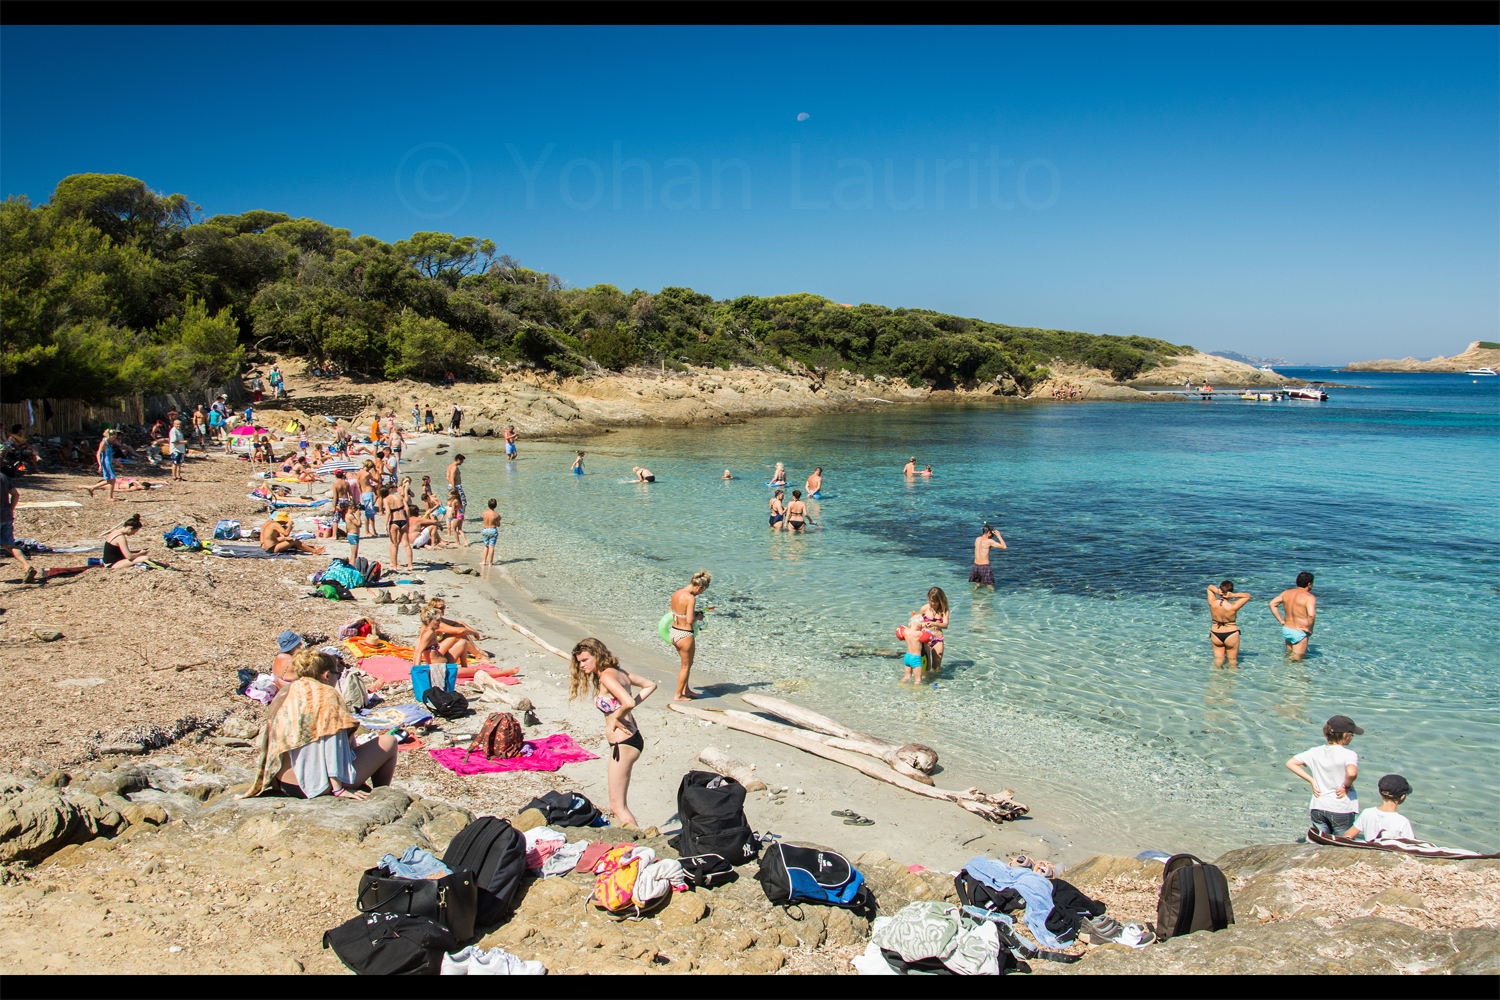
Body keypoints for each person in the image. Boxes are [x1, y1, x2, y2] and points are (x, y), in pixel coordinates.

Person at [243, 648, 399, 800]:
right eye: (337, 674)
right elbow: (332, 745)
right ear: (326, 675)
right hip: (314, 785)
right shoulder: (326, 695)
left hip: (283, 780)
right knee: (389, 741)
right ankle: (380, 797)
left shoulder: (287, 690)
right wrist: (338, 789)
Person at [568, 637, 656, 828]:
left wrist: (618, 716)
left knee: (617, 806)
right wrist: (624, 711)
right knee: (618, 804)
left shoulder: (607, 677)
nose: (581, 665)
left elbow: (629, 702)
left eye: (585, 660)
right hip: (630, 740)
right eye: (579, 662)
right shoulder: (619, 672)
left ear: (597, 655)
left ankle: (638, 844)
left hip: (623, 744)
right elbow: (650, 685)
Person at [1285, 715, 1362, 837]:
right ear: (1346, 735)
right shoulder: (1349, 754)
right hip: (1341, 807)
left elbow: (1291, 763)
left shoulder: (1314, 751)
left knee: (1321, 842)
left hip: (1318, 806)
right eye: (1352, 734)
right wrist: (1345, 786)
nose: (1352, 737)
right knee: (1340, 844)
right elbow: (1352, 773)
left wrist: (1311, 780)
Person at [669, 570, 710, 701]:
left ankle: (686, 690)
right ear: (699, 587)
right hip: (685, 634)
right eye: (701, 591)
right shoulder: (690, 597)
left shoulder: (677, 593)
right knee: (685, 667)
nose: (700, 594)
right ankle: (678, 695)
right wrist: (698, 616)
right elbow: (689, 620)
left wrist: (689, 614)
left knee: (687, 663)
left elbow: (671, 611)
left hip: (674, 632)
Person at [1348, 774, 1414, 842]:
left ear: (1381, 793)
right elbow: (1410, 846)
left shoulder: (1367, 813)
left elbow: (1348, 835)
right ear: (1402, 797)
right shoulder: (1403, 821)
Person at [1270, 571, 1317, 661]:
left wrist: (1281, 621)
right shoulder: (1309, 597)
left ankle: (1285, 674)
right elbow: (1311, 615)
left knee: (1289, 656)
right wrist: (1310, 630)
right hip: (1299, 631)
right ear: (1309, 584)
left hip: (1287, 629)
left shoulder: (1286, 593)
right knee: (1298, 661)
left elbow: (1272, 604)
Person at [1, 466, 37, 583]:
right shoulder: (3, 477)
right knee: (9, 544)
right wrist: (10, 509)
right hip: (5, 516)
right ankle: (26, 566)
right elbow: (15, 494)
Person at [1207, 580, 1252, 667]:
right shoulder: (1233, 606)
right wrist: (1234, 596)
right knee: (1232, 661)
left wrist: (1218, 592)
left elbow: (1209, 588)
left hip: (1216, 633)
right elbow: (1247, 596)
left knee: (1218, 659)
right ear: (1231, 592)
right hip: (1231, 633)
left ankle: (1215, 679)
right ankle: (1231, 679)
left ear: (1220, 589)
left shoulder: (1212, 603)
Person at [912, 587, 950, 673]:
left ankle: (936, 681)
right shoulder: (924, 608)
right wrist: (923, 624)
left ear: (940, 599)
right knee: (927, 667)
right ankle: (926, 682)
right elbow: (916, 623)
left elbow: (945, 625)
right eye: (931, 601)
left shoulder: (944, 610)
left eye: (935, 601)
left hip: (938, 638)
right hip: (925, 639)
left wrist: (934, 623)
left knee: (936, 667)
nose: (933, 603)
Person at [260, 512, 326, 555]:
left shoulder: (273, 524)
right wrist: (290, 525)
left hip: (271, 546)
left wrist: (286, 537)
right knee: (294, 541)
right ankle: (315, 551)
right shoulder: (275, 524)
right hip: (271, 548)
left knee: (291, 540)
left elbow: (276, 537)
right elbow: (286, 533)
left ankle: (312, 548)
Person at [380, 485, 412, 572]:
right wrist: (408, 518)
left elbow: (388, 513)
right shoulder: (399, 496)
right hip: (403, 520)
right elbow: (407, 508)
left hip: (394, 521)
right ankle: (410, 565)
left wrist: (385, 525)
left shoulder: (386, 499)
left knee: (394, 544)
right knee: (406, 544)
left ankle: (394, 566)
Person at [85, 430, 122, 501]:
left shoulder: (107, 443)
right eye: (113, 436)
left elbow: (108, 454)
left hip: (108, 462)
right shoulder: (103, 442)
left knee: (110, 480)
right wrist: (100, 465)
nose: (114, 438)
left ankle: (92, 488)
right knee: (112, 479)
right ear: (109, 435)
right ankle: (109, 497)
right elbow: (98, 453)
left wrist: (114, 460)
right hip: (106, 463)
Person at [970, 522, 1007, 588]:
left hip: (976, 566)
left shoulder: (977, 539)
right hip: (985, 566)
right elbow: (1004, 547)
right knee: (990, 586)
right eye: (992, 534)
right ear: (989, 533)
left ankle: (975, 595)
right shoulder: (989, 541)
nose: (992, 536)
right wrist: (999, 536)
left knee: (978, 584)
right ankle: (990, 596)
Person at [356, 460, 378, 537]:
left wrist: (361, 493)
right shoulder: (367, 474)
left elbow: (358, 485)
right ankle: (371, 531)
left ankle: (368, 530)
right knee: (371, 513)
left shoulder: (359, 472)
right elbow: (377, 479)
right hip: (369, 492)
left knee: (367, 513)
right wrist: (375, 470)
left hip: (364, 493)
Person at [480, 499, 501, 565]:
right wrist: (499, 519)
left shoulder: (484, 513)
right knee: (491, 547)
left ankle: (483, 561)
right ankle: (490, 563)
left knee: (486, 546)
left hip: (485, 529)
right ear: (496, 506)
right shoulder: (496, 515)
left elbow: (485, 520)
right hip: (492, 530)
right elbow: (498, 525)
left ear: (487, 505)